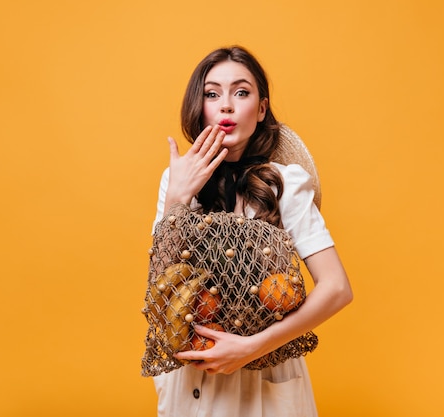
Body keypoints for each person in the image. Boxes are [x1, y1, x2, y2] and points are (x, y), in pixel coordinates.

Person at [149, 45, 353, 417]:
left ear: (261, 110)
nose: (226, 105)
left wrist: (253, 346)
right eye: (213, 94)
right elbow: (162, 285)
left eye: (241, 92)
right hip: (191, 378)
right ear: (200, 106)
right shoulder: (175, 179)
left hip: (262, 378)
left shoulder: (284, 183)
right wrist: (178, 197)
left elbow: (337, 288)